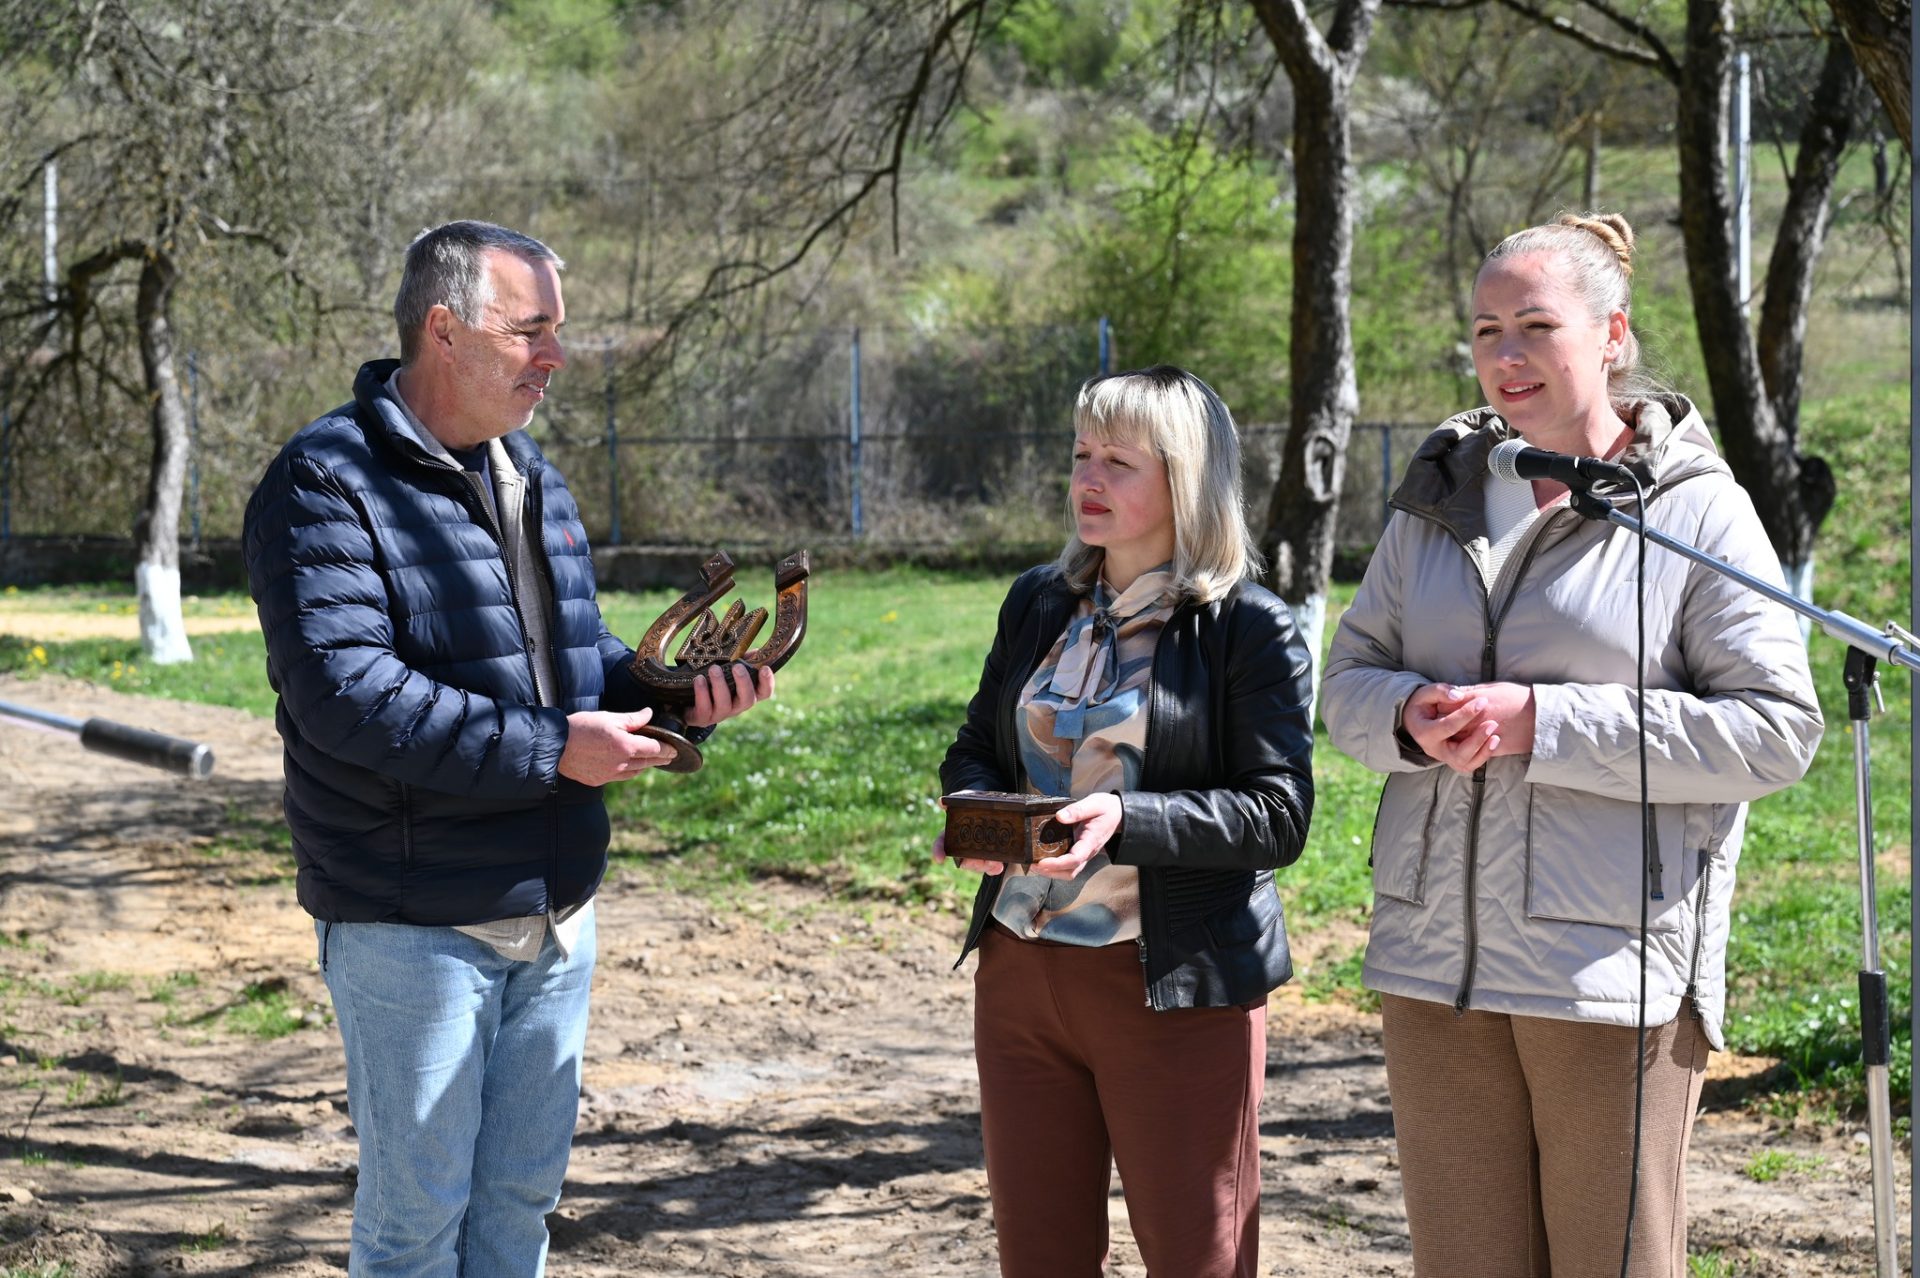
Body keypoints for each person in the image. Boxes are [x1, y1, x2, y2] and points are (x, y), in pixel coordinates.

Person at [242, 220, 773, 1277]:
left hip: (557, 914)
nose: (556, 359)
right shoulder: (324, 482)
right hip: (414, 924)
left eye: (556, 333)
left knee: (519, 1207)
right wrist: (549, 752)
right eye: (531, 332)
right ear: (445, 329)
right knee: (415, 1222)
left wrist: (678, 697)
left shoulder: (530, 473)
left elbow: (570, 666)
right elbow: (350, 697)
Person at [1320, 213, 1824, 1277]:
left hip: (1610, 976)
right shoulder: (1439, 496)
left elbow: (1777, 731)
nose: (1506, 355)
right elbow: (1347, 681)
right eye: (1487, 328)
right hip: (1433, 970)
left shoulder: (1693, 508)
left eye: (1537, 325)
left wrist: (1546, 723)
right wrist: (1409, 718)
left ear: (1611, 336)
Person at [935, 365, 1316, 1278]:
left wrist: (1126, 820)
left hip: (1172, 987)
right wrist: (977, 812)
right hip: (1020, 977)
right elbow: (974, 744)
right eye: (1080, 455)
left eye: (1119, 461)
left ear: (1183, 479)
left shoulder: (1247, 628)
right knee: (1041, 1255)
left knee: (1198, 1259)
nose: (1088, 480)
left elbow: (1278, 814)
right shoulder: (1039, 602)